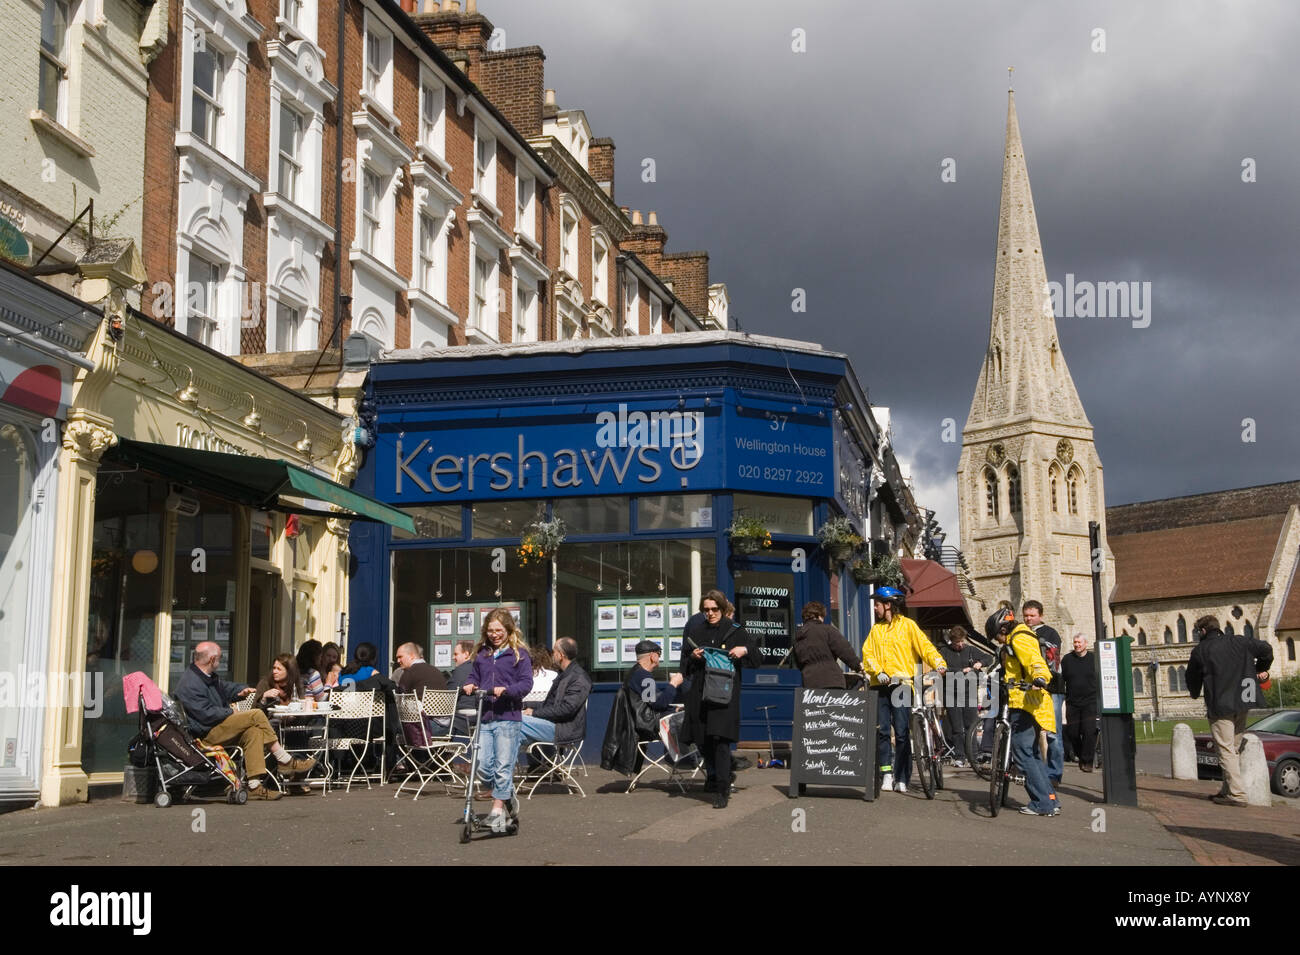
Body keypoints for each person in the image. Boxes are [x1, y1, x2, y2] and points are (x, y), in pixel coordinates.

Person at [174, 642, 315, 799]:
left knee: (253, 732)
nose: (221, 660)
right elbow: (205, 714)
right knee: (256, 714)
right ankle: (284, 759)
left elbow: (224, 688)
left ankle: (254, 786)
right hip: (204, 734)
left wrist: (241, 690)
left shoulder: (206, 676)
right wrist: (230, 711)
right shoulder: (190, 683)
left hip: (215, 727)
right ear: (212, 659)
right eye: (220, 657)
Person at [678, 589, 760, 808]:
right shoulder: (695, 631)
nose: (710, 613)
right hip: (700, 693)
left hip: (725, 694)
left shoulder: (735, 630)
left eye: (714, 609)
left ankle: (722, 789)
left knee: (721, 741)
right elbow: (683, 666)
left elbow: (756, 658)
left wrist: (744, 650)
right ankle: (713, 774)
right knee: (702, 739)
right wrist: (692, 657)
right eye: (706, 610)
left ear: (723, 609)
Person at [861, 586, 947, 794]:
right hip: (879, 685)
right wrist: (877, 671)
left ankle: (902, 776)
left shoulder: (908, 626)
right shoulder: (876, 629)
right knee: (882, 732)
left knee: (901, 733)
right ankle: (887, 773)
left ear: (888, 605)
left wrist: (939, 663)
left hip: (903, 685)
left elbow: (925, 647)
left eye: (878, 604)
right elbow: (867, 653)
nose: (875, 607)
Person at [1186, 614, 1273, 807]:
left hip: (1221, 703)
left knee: (1225, 749)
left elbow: (1192, 676)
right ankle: (1227, 790)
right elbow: (1267, 649)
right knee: (1232, 748)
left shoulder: (1201, 650)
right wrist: (1260, 668)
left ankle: (1237, 794)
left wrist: (1194, 693)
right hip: (1245, 698)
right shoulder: (1240, 641)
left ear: (1202, 631)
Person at [461, 609, 533, 831]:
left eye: (499, 630)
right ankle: (507, 794)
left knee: (503, 766)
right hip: (485, 716)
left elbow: (526, 683)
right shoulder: (481, 653)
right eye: (490, 630)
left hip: (508, 717)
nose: (494, 634)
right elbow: (475, 676)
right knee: (482, 766)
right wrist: (470, 684)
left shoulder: (518, 654)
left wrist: (507, 690)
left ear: (508, 629)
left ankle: (497, 811)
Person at [985, 607, 1058, 816]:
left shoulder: (1019, 638)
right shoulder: (1018, 637)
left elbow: (1035, 661)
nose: (999, 641)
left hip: (1026, 703)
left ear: (1003, 628)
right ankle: (1051, 799)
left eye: (997, 636)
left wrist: (1041, 677)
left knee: (1023, 753)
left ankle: (1042, 803)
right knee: (1032, 754)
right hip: (1027, 702)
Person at [520, 637, 593, 750]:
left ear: (561, 655)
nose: (552, 655)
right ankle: (537, 765)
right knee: (512, 732)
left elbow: (566, 709)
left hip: (563, 731)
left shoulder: (578, 678)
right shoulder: (564, 675)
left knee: (516, 721)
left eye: (554, 651)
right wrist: (524, 705)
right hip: (554, 725)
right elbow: (550, 705)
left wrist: (534, 713)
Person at [1022, 600, 1065, 783]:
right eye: (1026, 615)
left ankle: (1054, 773)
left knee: (1052, 733)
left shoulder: (1050, 633)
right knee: (1028, 730)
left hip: (1051, 687)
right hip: (1028, 687)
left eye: (1032, 615)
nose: (1029, 619)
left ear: (1040, 615)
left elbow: (1052, 659)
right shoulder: (1021, 633)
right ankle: (1034, 769)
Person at [937, 625, 990, 767]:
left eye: (962, 641)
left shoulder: (971, 650)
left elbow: (989, 658)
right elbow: (941, 669)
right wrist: (960, 670)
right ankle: (959, 756)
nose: (960, 645)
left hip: (969, 692)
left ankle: (973, 755)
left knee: (970, 725)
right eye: (957, 642)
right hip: (951, 693)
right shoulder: (944, 652)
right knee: (957, 727)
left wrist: (981, 662)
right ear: (951, 641)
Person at [790, 601, 861, 689]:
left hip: (810, 682)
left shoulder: (798, 637)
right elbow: (844, 650)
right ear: (819, 616)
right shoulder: (827, 630)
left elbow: (798, 662)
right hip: (831, 680)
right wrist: (858, 666)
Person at [1059, 633, 1099, 771]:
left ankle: (1087, 761)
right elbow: (1061, 679)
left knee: (1089, 732)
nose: (1077, 645)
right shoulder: (1067, 660)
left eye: (1079, 642)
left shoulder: (1094, 659)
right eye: (1075, 642)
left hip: (1090, 702)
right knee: (1072, 733)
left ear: (1086, 643)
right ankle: (1081, 755)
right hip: (1072, 702)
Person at [626, 639, 684, 713]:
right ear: (653, 656)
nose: (659, 657)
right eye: (659, 654)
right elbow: (659, 705)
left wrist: (674, 709)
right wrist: (674, 684)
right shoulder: (644, 676)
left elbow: (651, 703)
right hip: (644, 723)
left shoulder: (635, 672)